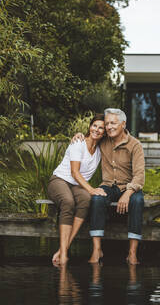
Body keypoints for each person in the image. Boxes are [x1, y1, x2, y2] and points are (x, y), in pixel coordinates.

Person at [73, 108, 145, 265]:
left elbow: (140, 175)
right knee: (97, 198)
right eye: (107, 124)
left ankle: (132, 252)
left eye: (113, 123)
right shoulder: (103, 140)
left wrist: (128, 193)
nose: (109, 127)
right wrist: (79, 135)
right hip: (108, 185)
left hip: (130, 186)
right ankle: (97, 249)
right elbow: (91, 137)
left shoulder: (135, 145)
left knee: (137, 202)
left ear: (123, 124)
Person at [47, 113, 106, 266]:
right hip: (59, 180)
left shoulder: (100, 150)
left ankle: (63, 248)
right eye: (94, 126)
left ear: (105, 132)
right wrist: (92, 189)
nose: (97, 130)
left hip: (76, 185)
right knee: (68, 201)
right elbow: (74, 172)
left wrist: (89, 192)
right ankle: (65, 255)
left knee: (86, 200)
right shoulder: (78, 143)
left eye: (101, 128)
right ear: (89, 126)